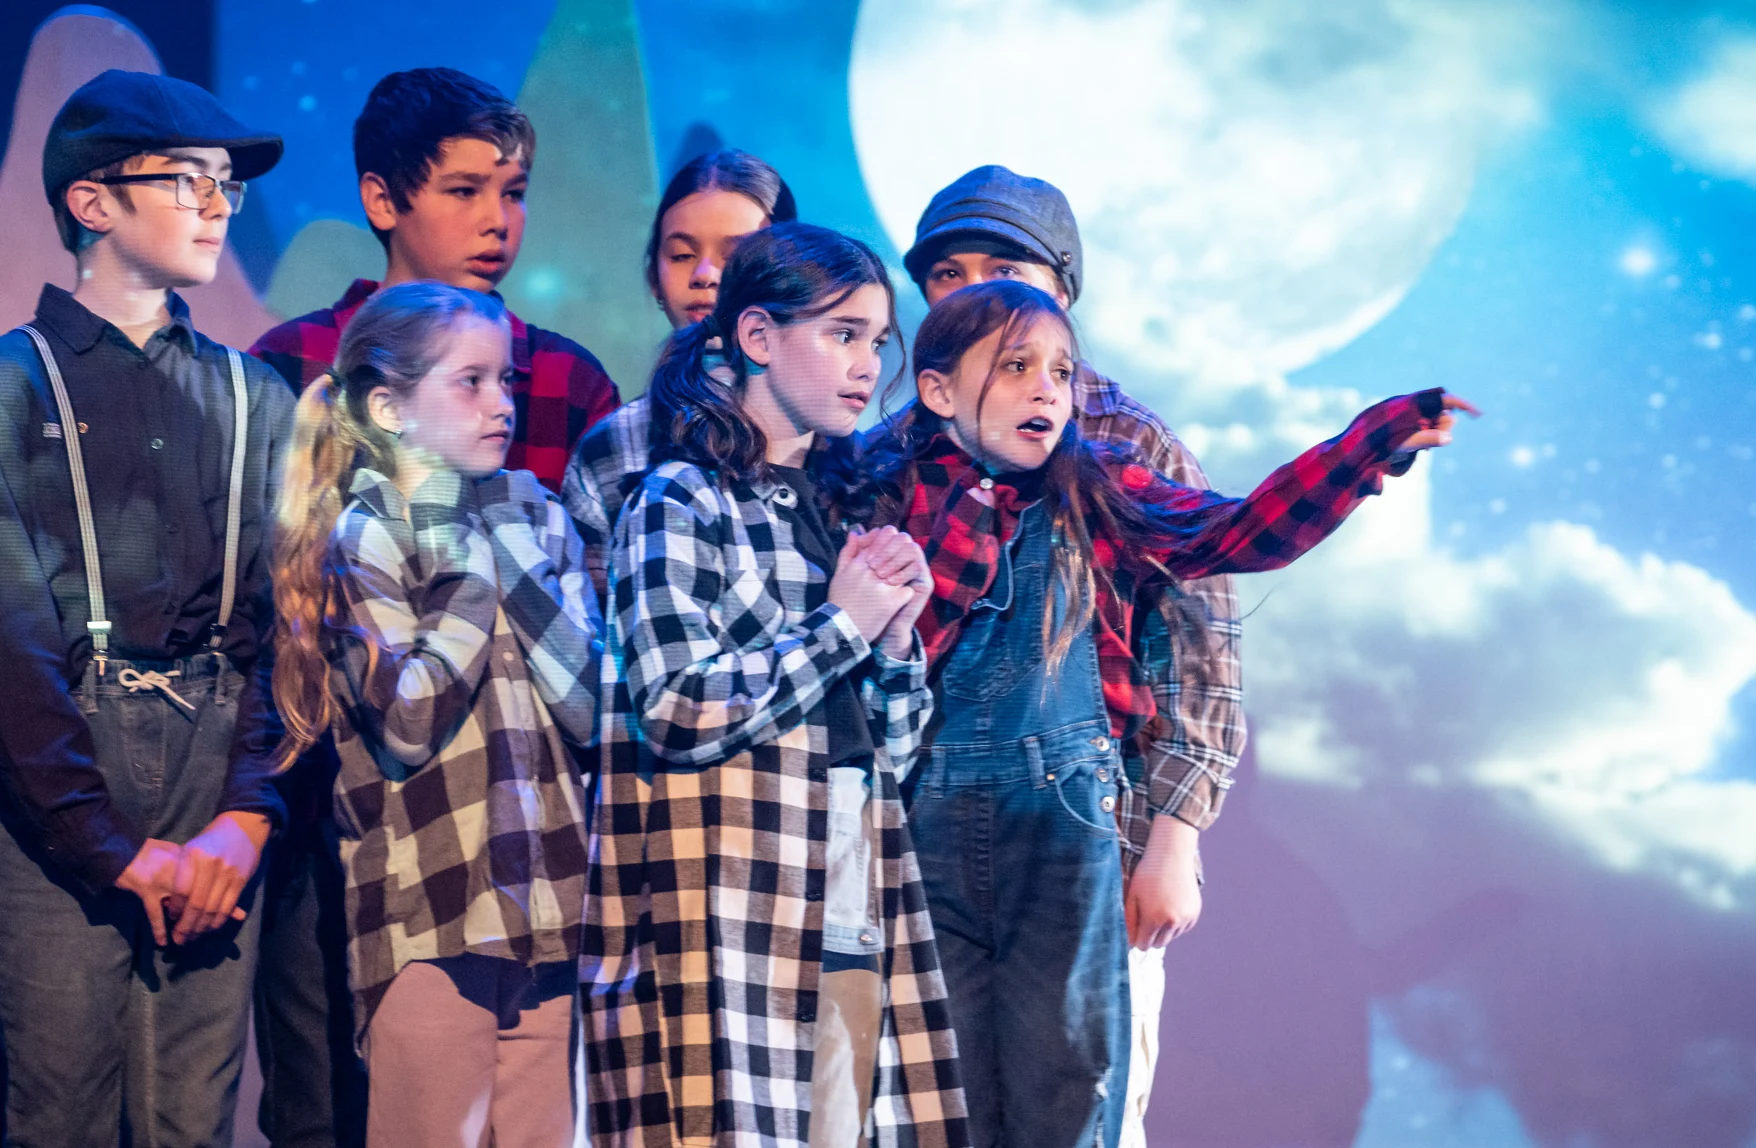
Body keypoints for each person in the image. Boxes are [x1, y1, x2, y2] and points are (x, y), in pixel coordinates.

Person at [845, 279, 1474, 1148]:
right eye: (1017, 366)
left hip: (1063, 824)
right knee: (931, 1103)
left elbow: (1239, 529)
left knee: (1068, 1093)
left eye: (1061, 372)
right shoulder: (880, 494)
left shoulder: (1098, 488)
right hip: (922, 829)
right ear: (939, 390)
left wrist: (1367, 449)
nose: (1046, 389)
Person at [246, 67, 622, 1146]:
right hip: (367, 831)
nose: (497, 221)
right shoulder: (293, 372)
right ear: (383, 200)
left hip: (532, 855)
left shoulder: (561, 386)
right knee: (333, 1101)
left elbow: (585, 670)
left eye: (512, 193)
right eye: (464, 191)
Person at [583, 222, 968, 1148]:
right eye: (842, 334)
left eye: (879, 342)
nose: (867, 364)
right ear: (757, 338)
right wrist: (840, 627)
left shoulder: (843, 510)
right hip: (734, 897)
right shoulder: (679, 499)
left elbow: (893, 751)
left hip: (849, 872)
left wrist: (896, 642)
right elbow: (676, 706)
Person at [900, 164, 1242, 1145]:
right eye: (946, 272)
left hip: (1092, 850)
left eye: (1001, 264)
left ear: (1059, 286)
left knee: (1082, 1107)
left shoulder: (1125, 439)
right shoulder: (902, 448)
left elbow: (1201, 653)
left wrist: (1173, 837)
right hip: (935, 854)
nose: (971, 288)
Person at [0, 69, 291, 1145]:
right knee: (61, 1110)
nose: (218, 204)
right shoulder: (12, 387)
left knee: (192, 1120)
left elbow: (290, 623)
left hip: (216, 781)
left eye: (227, 185)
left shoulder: (257, 396)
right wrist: (106, 843)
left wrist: (247, 814)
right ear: (92, 201)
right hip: (58, 793)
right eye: (188, 180)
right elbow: (11, 642)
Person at [563, 147, 795, 599]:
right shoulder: (615, 445)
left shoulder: (821, 431)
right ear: (654, 275)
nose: (705, 275)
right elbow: (590, 614)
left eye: (736, 255)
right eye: (683, 255)